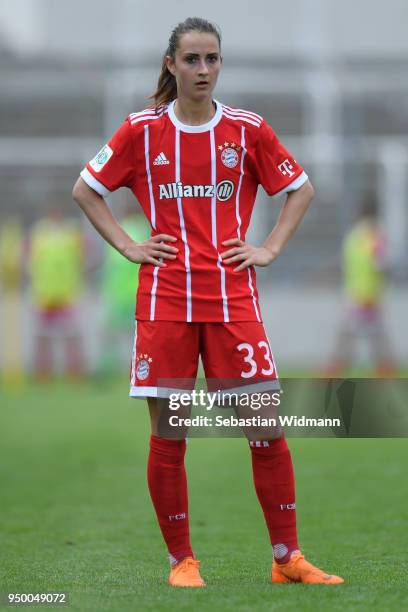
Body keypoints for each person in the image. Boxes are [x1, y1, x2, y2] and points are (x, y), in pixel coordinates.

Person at [73, 17, 343, 586]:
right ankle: (182, 561)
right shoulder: (141, 131)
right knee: (172, 434)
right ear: (170, 64)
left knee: (266, 426)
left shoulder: (247, 130)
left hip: (233, 303)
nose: (203, 70)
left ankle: (287, 558)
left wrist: (269, 247)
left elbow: (301, 189)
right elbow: (86, 189)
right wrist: (126, 245)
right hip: (166, 303)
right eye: (192, 59)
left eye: (212, 59)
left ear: (221, 63)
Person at [327, 198, 396, 376]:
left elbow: (347, 263)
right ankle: (384, 368)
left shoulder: (355, 235)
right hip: (367, 293)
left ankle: (337, 367)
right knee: (370, 332)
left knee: (353, 332)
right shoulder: (373, 235)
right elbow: (380, 263)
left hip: (357, 292)